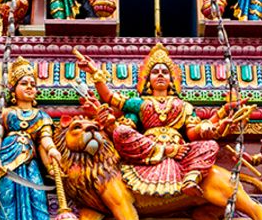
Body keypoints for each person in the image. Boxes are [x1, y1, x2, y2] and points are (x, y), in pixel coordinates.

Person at [75, 44, 240, 196]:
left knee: (210, 145)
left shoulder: (183, 106)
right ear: (148, 80)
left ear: (171, 79)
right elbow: (110, 97)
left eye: (165, 72)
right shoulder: (140, 104)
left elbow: (193, 133)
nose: (160, 74)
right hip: (149, 149)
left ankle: (191, 178)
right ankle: (164, 152)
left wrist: (214, 126)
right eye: (155, 72)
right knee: (121, 131)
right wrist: (94, 72)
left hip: (180, 150)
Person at [0, 58, 59, 220]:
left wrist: (52, 149)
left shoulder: (41, 116)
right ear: (13, 90)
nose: (30, 87)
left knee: (37, 194)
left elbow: (45, 138)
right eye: (24, 83)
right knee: (8, 195)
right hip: (7, 158)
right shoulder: (5, 113)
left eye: (33, 84)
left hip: (30, 160)